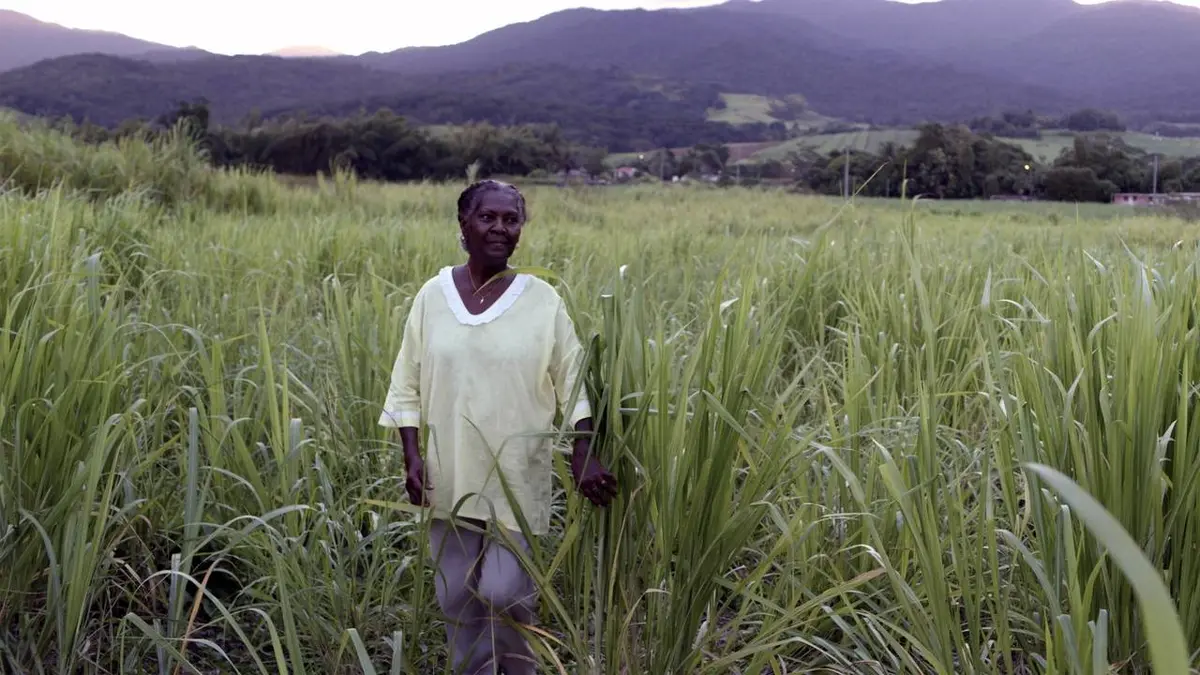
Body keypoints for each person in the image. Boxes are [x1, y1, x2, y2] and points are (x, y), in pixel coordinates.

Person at [378, 179, 618, 675]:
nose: (501, 228)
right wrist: (412, 456)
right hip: (450, 474)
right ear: (463, 226)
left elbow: (572, 377)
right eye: (488, 217)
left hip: (515, 476)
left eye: (512, 219)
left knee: (503, 591)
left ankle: (518, 668)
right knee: (457, 597)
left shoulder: (542, 300)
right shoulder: (433, 295)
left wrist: (582, 451)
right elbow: (406, 381)